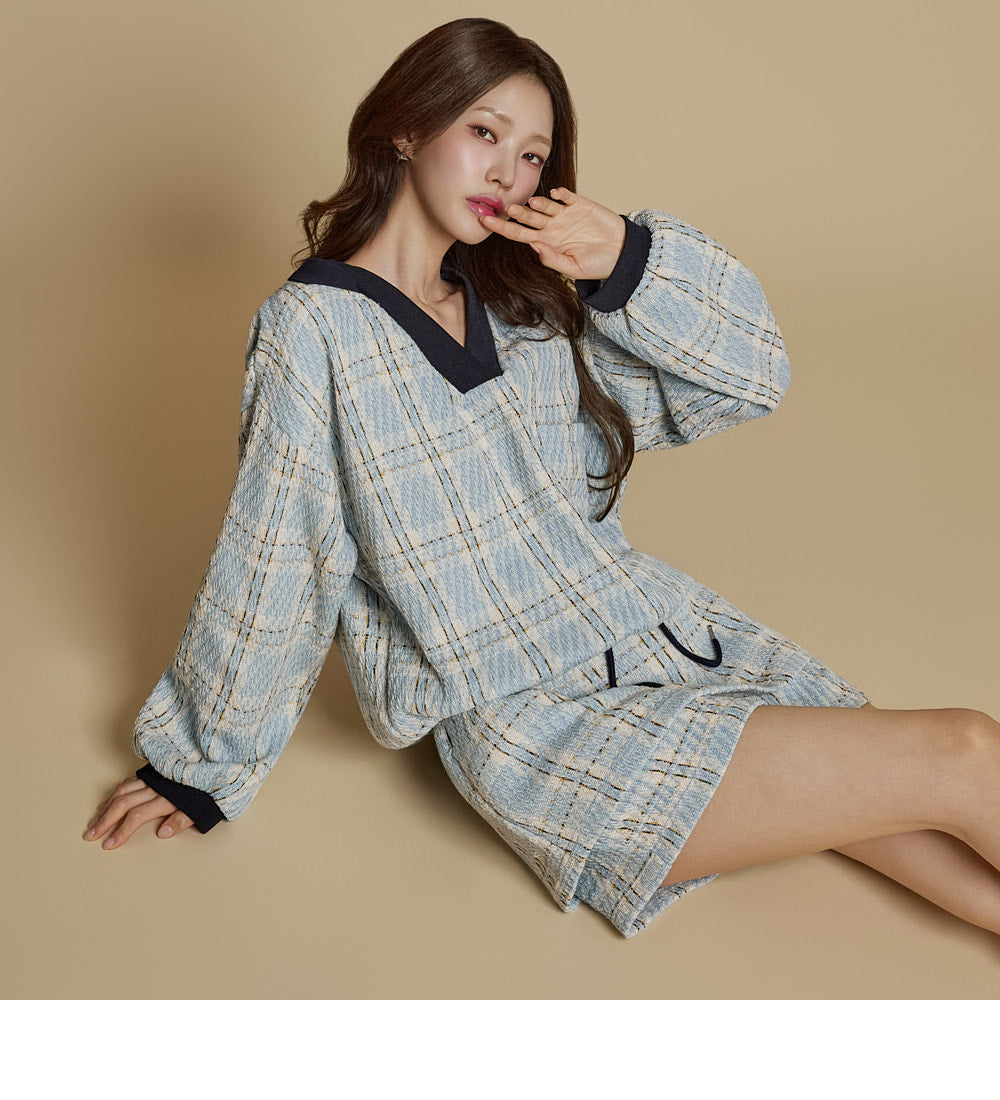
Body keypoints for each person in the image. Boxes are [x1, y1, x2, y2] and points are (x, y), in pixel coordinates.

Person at [83, 17, 1000, 940]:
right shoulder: (313, 330)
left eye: (531, 155)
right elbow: (279, 554)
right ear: (406, 128)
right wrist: (200, 767)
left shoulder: (525, 313)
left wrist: (625, 261)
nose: (506, 173)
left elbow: (748, 377)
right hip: (544, 732)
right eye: (483, 132)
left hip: (665, 645)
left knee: (920, 808)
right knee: (963, 752)